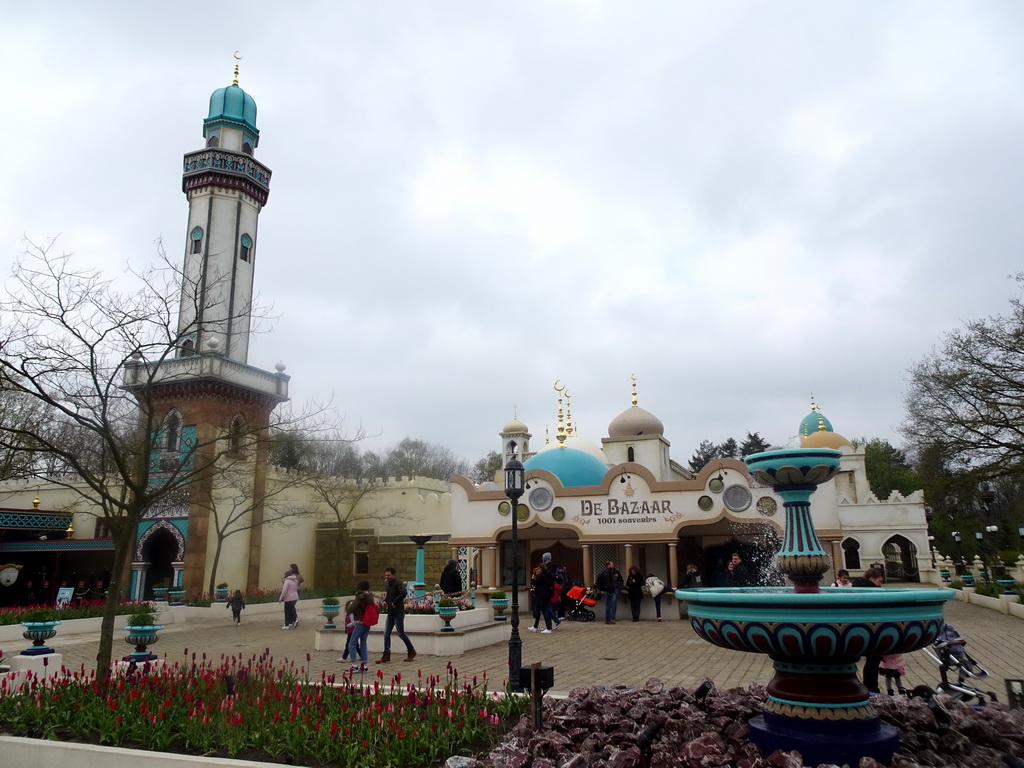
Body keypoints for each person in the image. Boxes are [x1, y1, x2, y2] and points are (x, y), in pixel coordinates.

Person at [852, 567, 885, 692]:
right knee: (873, 659)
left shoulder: (856, 588)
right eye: (879, 581)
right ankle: (871, 687)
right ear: (872, 579)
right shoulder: (873, 591)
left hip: (855, 627)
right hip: (872, 628)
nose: (880, 584)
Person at [377, 567, 416, 663]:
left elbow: (403, 592)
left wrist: (394, 602)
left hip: (398, 612)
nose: (387, 577)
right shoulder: (388, 585)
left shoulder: (398, 583)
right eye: (386, 575)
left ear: (393, 575)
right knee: (386, 634)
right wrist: (386, 602)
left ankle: (411, 650)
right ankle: (386, 653)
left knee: (400, 633)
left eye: (389, 575)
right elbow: (389, 595)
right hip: (390, 613)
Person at [344, 580, 377, 672]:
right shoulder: (370, 597)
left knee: (352, 643)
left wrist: (350, 608)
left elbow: (351, 608)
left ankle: (354, 665)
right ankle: (364, 665)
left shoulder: (360, 597)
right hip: (367, 623)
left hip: (360, 622)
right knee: (363, 643)